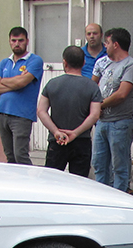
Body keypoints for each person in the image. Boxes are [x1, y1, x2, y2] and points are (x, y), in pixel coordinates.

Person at [38, 46, 104, 175]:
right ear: (83, 63)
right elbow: (95, 114)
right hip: (82, 141)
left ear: (64, 62)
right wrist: (75, 132)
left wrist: (55, 131)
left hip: (57, 140)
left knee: (51, 180)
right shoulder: (92, 86)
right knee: (79, 183)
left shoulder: (52, 84)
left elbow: (41, 110)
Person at [91, 27, 133, 191]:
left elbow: (122, 94)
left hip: (120, 123)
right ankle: (101, 198)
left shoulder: (131, 65)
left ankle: (120, 198)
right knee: (99, 164)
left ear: (116, 45)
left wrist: (99, 105)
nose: (105, 46)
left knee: (119, 166)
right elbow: (94, 85)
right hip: (102, 122)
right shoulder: (104, 63)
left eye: (107, 42)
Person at [0, 27, 43, 164]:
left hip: (22, 115)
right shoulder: (4, 62)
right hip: (3, 113)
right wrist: (15, 81)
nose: (17, 43)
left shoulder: (34, 61)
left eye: (20, 40)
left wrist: (2, 80)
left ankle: (28, 184)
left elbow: (22, 83)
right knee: (10, 156)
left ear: (27, 41)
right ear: (9, 41)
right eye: (13, 40)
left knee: (20, 155)